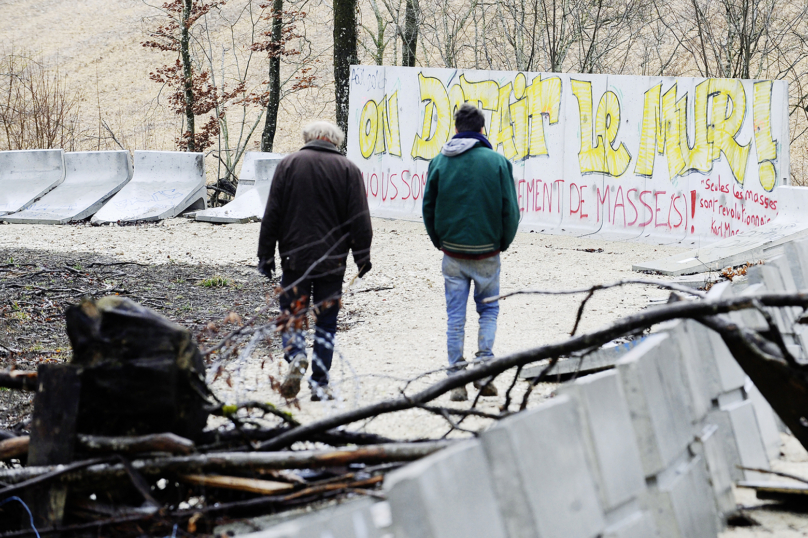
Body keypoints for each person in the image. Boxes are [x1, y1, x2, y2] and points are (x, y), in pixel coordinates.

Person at [257, 121, 372, 401]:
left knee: (292, 315)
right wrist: (362, 256)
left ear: (307, 138)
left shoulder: (288, 165)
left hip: (295, 259)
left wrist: (265, 254)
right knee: (326, 321)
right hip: (332, 262)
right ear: (336, 141)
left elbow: (272, 213)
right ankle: (319, 383)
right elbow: (359, 219)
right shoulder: (349, 170)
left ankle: (296, 354)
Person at [422, 103, 520, 402]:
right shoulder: (498, 162)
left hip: (452, 252)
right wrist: (502, 242)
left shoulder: (439, 162)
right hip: (487, 252)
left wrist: (439, 240)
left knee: (455, 315)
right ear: (482, 130)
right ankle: (485, 371)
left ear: (455, 129)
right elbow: (511, 211)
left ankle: (456, 379)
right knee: (488, 310)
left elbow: (428, 207)